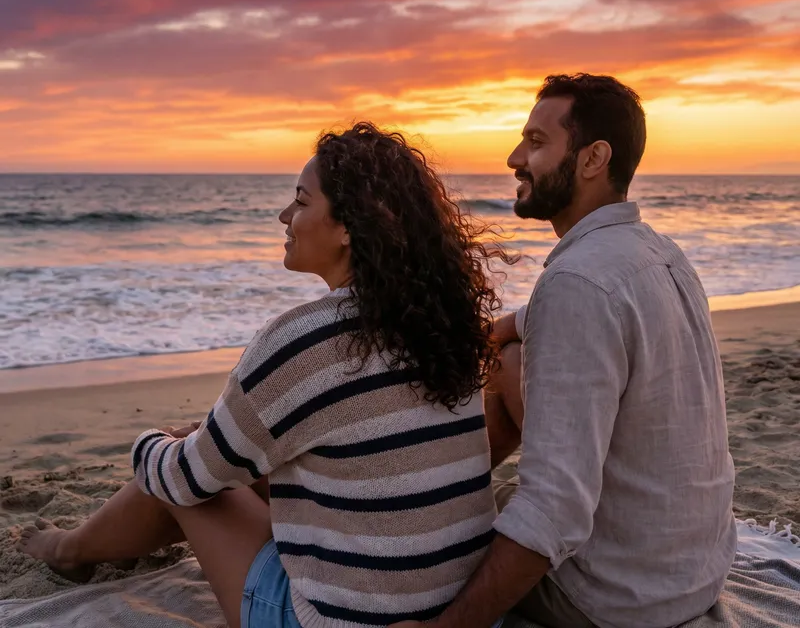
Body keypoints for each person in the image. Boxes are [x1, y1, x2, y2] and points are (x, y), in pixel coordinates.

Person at [18, 123, 509, 628]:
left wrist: (148, 442)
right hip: (458, 608)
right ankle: (85, 546)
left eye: (300, 201)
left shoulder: (309, 338)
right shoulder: (442, 325)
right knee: (220, 451)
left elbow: (186, 481)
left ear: (349, 227)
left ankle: (70, 550)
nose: (284, 216)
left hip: (338, 620)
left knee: (184, 466)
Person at [391, 73, 737, 628]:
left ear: (593, 158)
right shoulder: (658, 253)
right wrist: (498, 329)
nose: (513, 157)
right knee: (509, 360)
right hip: (691, 572)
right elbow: (564, 318)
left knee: (431, 566)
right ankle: (440, 489)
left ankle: (423, 497)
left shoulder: (576, 282)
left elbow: (555, 511)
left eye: (535, 142)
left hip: (619, 600)